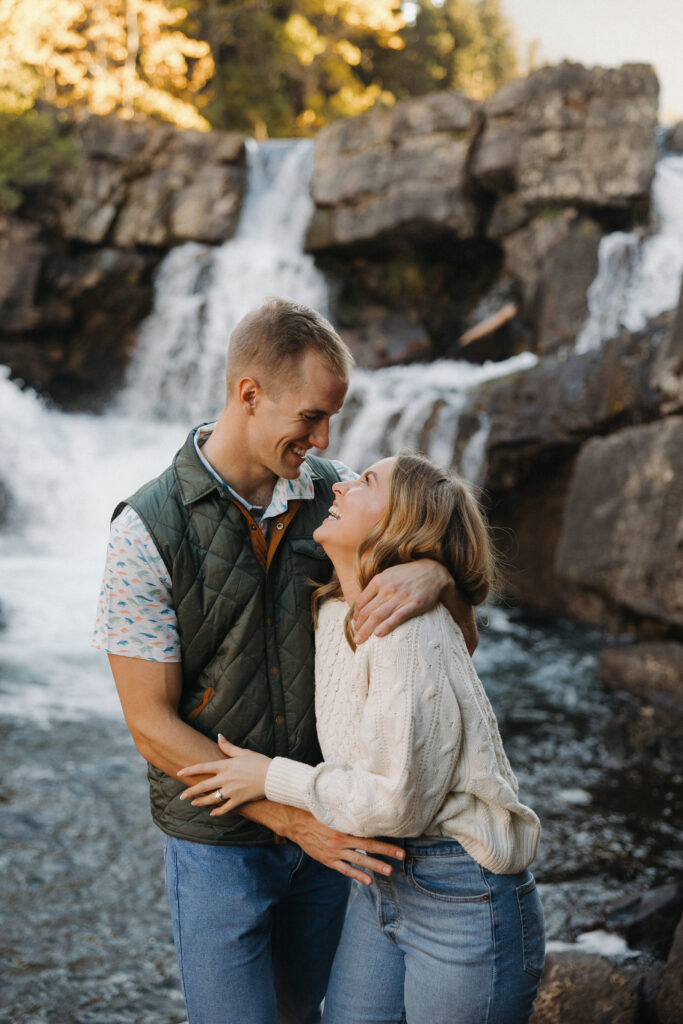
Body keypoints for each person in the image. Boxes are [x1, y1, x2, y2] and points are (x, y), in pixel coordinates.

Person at [93, 298, 478, 1024]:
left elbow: (451, 597)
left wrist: (438, 575)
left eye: (332, 418)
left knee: (302, 1014)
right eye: (309, 417)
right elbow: (148, 725)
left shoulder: (341, 499)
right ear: (249, 395)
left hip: (332, 829)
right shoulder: (143, 531)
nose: (325, 438)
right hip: (221, 843)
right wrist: (292, 820)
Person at [179, 452, 545, 1024]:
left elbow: (396, 801)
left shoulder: (411, 632)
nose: (343, 483)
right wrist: (439, 572)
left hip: (460, 890)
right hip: (380, 880)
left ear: (397, 525)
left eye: (367, 480)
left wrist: (268, 777)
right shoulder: (335, 612)